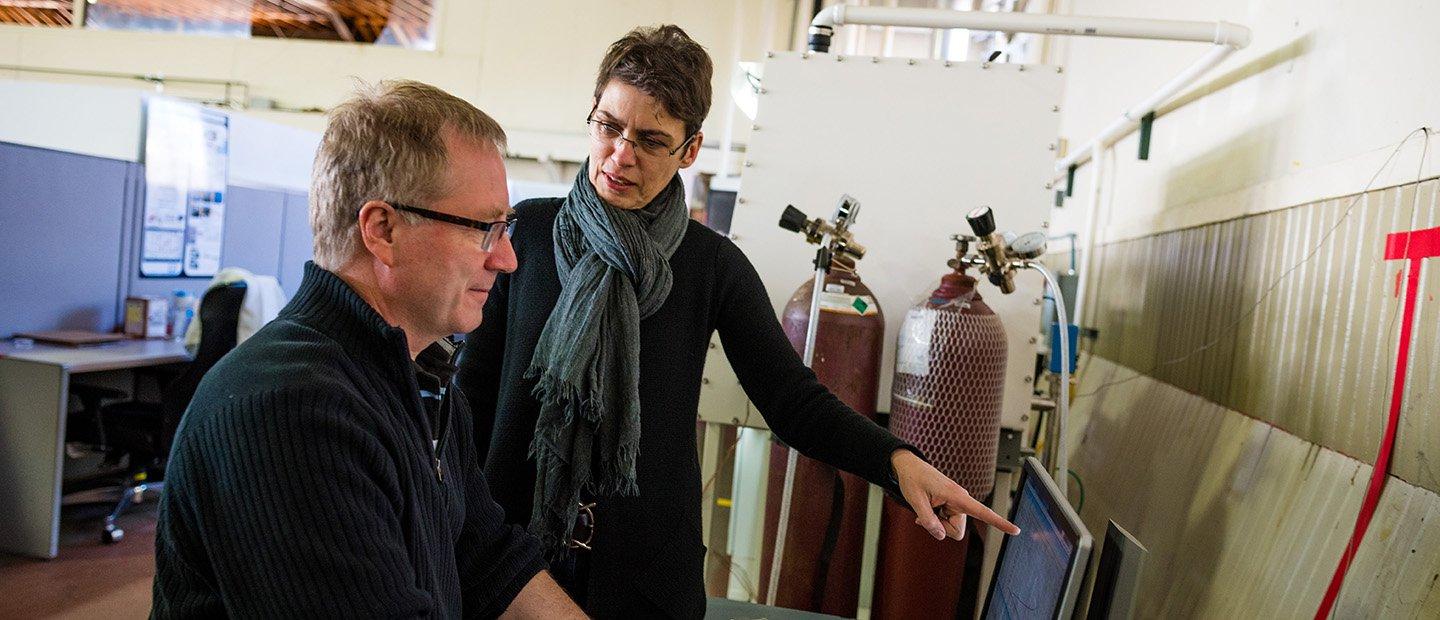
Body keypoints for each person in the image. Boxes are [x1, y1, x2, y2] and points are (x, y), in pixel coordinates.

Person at [456, 25, 1020, 618]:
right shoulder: (526, 236)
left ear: (689, 150)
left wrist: (897, 463)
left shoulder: (710, 265)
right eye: (609, 127)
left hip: (645, 580)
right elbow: (470, 395)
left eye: (650, 140)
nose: (621, 155)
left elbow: (791, 399)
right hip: (513, 562)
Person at [152, 80, 584, 619]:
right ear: (382, 230)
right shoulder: (292, 409)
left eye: (507, 229)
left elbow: (490, 563)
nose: (507, 260)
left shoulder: (419, 379)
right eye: (486, 229)